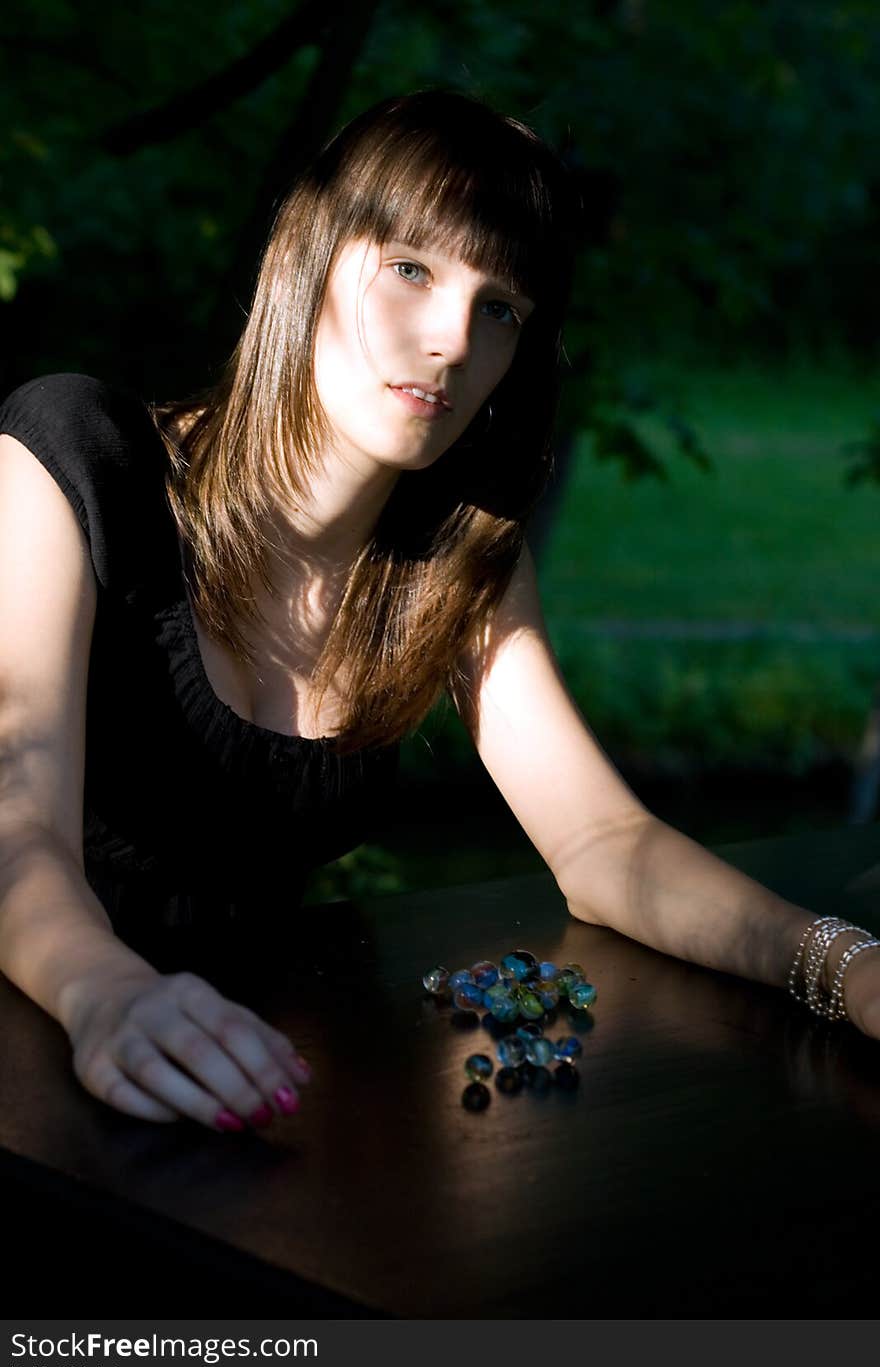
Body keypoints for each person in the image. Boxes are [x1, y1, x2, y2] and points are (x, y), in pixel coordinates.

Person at [0, 91, 877, 1138]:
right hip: (48, 1033)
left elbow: (602, 841)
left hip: (252, 1077)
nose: (452, 339)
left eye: (498, 307)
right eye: (411, 270)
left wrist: (838, 961)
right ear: (308, 255)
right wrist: (107, 992)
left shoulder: (453, 554)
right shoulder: (71, 462)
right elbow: (17, 832)